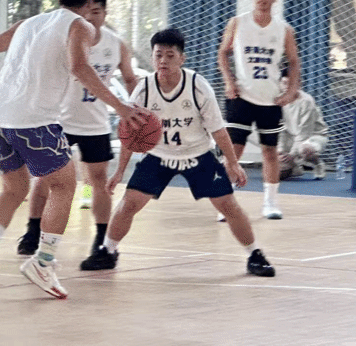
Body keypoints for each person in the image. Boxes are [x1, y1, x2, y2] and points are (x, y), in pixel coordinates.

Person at [0, 0, 147, 299]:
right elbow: (79, 67)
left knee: (13, 188)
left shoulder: (29, 23)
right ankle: (43, 262)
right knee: (65, 185)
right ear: (88, 1)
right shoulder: (80, 26)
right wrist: (121, 106)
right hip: (32, 121)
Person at [81, 28, 275, 278]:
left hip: (198, 155)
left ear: (182, 59)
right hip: (159, 156)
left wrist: (232, 163)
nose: (163, 61)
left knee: (228, 205)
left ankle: (254, 254)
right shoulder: (144, 89)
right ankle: (108, 251)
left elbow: (218, 129)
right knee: (129, 203)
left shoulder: (198, 86)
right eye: (158, 55)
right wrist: (119, 171)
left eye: (170, 55)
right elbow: (131, 132)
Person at [13, 0, 139, 270]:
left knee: (99, 181)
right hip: (60, 120)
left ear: (104, 13)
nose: (91, 18)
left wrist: (136, 105)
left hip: (96, 123)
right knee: (44, 178)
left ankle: (101, 239)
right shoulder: (68, 36)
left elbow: (130, 79)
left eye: (97, 12)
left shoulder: (116, 44)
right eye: (88, 12)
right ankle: (32, 231)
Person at [218, 0, 300, 219]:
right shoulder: (237, 23)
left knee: (270, 152)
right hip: (241, 96)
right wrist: (229, 81)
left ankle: (270, 203)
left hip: (270, 99)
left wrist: (291, 91)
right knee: (233, 151)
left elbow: (294, 61)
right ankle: (225, 203)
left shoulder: (284, 29)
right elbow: (222, 53)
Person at [278, 72, 329, 181]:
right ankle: (296, 167)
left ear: (299, 84)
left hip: (314, 136)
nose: (287, 87)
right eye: (284, 83)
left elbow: (304, 133)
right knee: (276, 163)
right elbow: (281, 128)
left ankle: (317, 163)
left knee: (305, 149)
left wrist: (292, 154)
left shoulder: (307, 101)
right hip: (291, 136)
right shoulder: (279, 100)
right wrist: (280, 151)